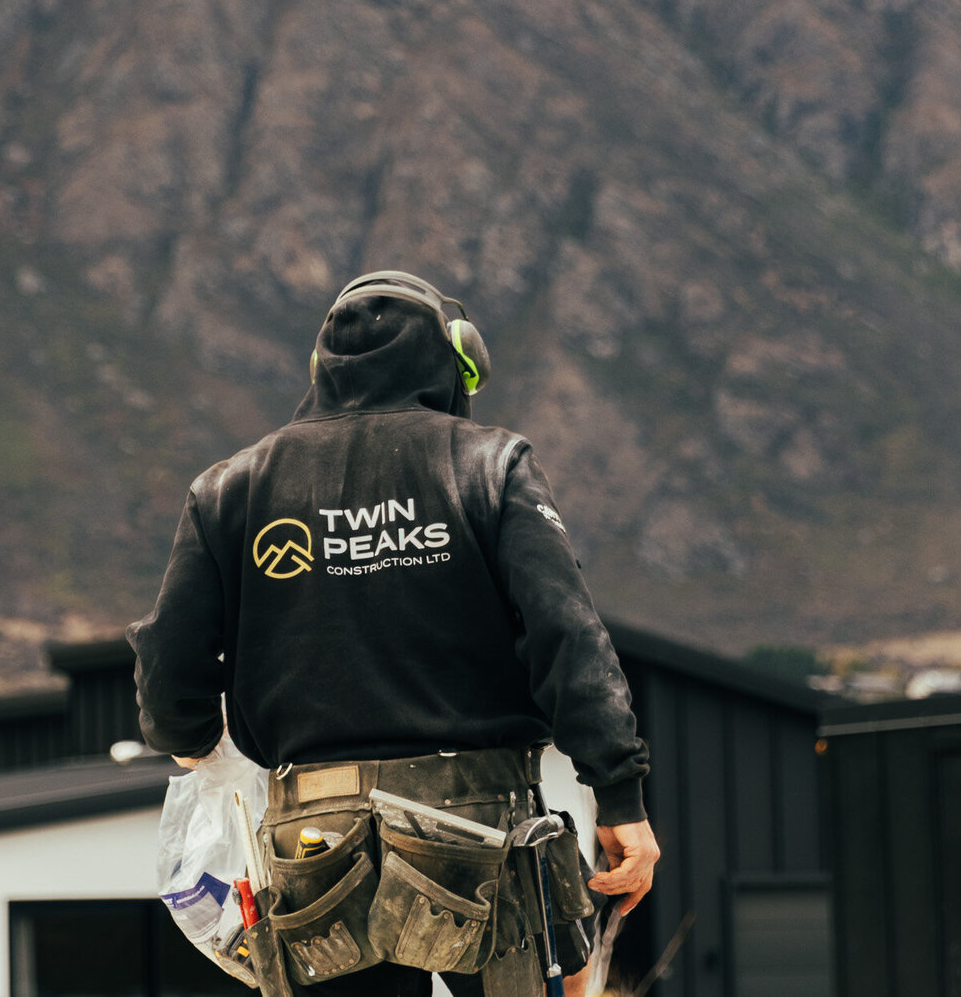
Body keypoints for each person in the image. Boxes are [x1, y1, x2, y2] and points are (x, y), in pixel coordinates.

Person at [129, 271, 659, 997]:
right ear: (457, 361)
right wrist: (620, 797)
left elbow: (167, 667)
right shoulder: (489, 466)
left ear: (322, 372)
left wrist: (191, 739)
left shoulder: (232, 487)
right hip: (481, 835)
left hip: (313, 846)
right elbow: (568, 638)